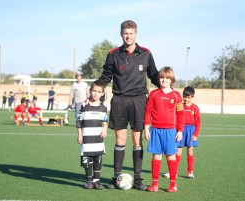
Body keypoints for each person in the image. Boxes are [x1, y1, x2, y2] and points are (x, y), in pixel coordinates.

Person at [98, 20, 159, 190]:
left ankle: (138, 179)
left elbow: (154, 76)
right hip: (119, 100)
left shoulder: (146, 53)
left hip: (139, 100)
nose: (128, 36)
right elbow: (105, 76)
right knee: (120, 139)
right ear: (121, 34)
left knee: (137, 139)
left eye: (131, 33)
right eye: (125, 33)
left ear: (136, 34)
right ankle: (116, 177)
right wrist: (95, 89)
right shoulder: (113, 54)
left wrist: (166, 87)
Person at [144, 67, 184, 193]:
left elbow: (181, 114)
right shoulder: (153, 94)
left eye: (167, 78)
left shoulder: (177, 96)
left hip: (171, 131)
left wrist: (180, 131)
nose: (164, 80)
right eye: (161, 77)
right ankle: (154, 183)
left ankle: (173, 184)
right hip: (155, 130)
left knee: (171, 157)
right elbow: (148, 112)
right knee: (156, 156)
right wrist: (146, 128)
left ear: (171, 80)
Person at [162, 86, 201, 179]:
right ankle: (174, 172)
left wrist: (195, 134)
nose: (186, 99)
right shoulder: (179, 106)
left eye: (188, 97)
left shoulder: (195, 108)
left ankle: (190, 172)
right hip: (180, 130)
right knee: (178, 152)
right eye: (185, 97)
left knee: (190, 151)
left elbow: (198, 122)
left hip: (191, 131)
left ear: (192, 97)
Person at [76, 80, 108, 190]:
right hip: (86, 138)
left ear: (102, 93)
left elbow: (105, 121)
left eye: (99, 92)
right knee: (87, 160)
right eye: (94, 90)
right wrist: (79, 135)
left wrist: (105, 129)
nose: (96, 93)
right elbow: (79, 122)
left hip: (98, 138)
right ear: (90, 91)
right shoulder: (84, 106)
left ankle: (97, 181)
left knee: (97, 159)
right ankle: (89, 181)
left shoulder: (103, 107)